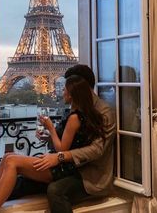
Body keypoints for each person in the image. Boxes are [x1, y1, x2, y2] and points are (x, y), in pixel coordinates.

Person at [0, 74, 106, 212]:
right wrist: (49, 135)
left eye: (64, 90)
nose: (62, 92)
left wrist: (51, 128)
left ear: (71, 95)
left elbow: (62, 149)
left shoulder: (74, 118)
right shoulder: (85, 115)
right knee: (7, 157)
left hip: (62, 167)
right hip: (65, 165)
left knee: (11, 161)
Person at [34, 64, 116, 213]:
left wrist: (60, 156)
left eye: (68, 86)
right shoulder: (75, 109)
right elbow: (67, 143)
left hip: (90, 175)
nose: (65, 91)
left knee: (55, 190)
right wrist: (49, 138)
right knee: (23, 179)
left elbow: (96, 150)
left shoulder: (104, 112)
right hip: (70, 167)